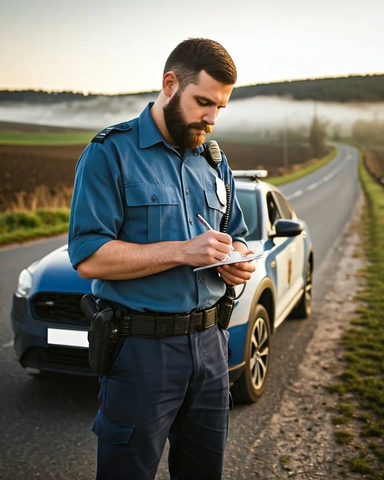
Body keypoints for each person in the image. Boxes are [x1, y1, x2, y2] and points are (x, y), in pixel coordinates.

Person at [67, 38, 256, 479]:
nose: (211, 118)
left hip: (211, 347)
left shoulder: (214, 159)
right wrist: (181, 252)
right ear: (170, 84)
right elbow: (89, 258)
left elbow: (240, 236)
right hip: (140, 352)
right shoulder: (109, 153)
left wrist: (239, 261)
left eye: (220, 108)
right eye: (203, 102)